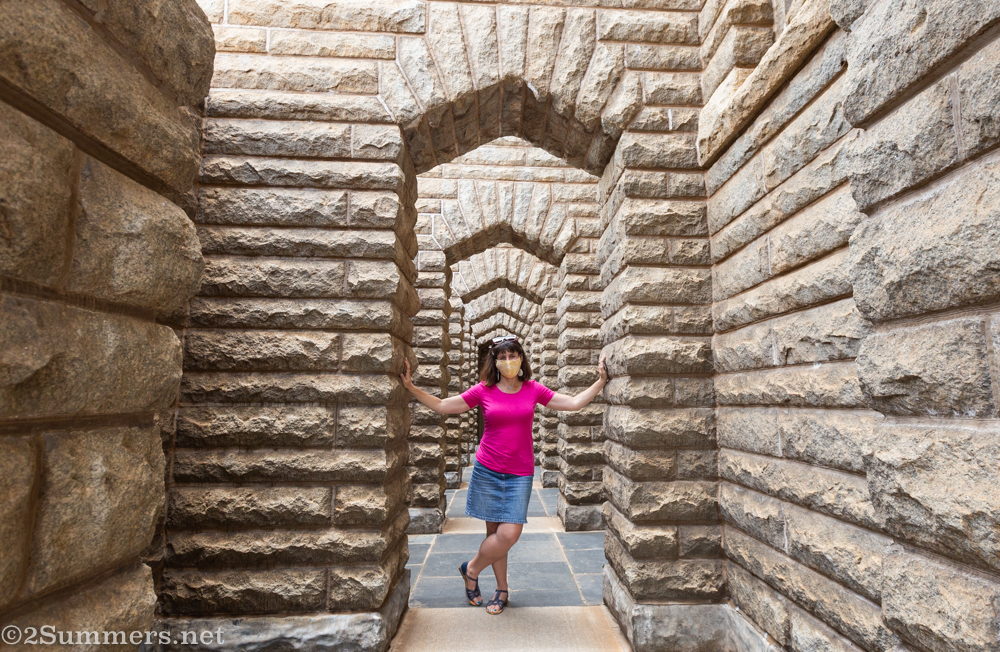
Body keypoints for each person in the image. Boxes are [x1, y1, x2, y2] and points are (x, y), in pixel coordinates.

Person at [399, 334, 608, 615]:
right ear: (495, 362)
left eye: (513, 356)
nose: (508, 362)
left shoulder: (533, 389)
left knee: (509, 533)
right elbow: (443, 406)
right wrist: (411, 387)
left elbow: (572, 403)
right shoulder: (483, 391)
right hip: (488, 470)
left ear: (521, 359)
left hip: (519, 473)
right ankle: (502, 589)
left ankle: (470, 569)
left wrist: (601, 382)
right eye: (502, 357)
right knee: (495, 534)